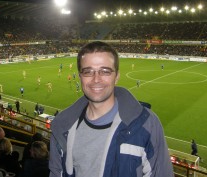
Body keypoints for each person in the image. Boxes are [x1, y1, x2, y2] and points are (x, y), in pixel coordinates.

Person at [49, 41, 174, 177]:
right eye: (88, 72)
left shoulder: (147, 124)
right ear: (80, 77)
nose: (96, 79)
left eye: (105, 71)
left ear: (117, 77)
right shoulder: (62, 127)